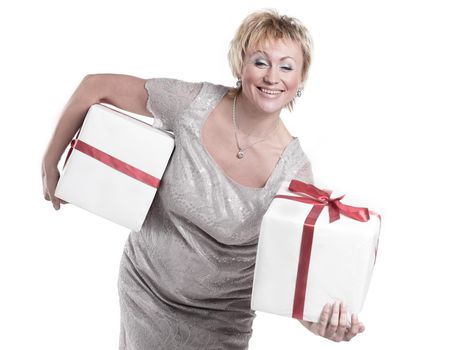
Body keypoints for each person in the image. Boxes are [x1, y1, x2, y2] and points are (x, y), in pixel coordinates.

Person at [41, 9, 365, 349]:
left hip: (220, 325)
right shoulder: (192, 105)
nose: (273, 77)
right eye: (260, 62)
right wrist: (51, 162)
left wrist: (321, 325)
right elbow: (95, 86)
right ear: (241, 65)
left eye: (286, 66)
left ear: (300, 80)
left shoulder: (296, 175)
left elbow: (290, 277)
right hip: (145, 294)